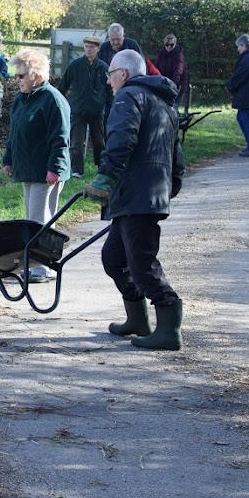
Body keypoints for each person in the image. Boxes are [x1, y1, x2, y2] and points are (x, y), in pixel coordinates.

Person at [85, 49, 185, 350]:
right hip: (143, 194)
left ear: (124, 74)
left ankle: (169, 329)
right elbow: (176, 154)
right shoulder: (163, 103)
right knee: (114, 258)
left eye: (110, 74)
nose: (108, 80)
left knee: (141, 262)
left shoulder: (128, 98)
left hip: (137, 195)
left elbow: (121, 140)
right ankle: (138, 320)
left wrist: (104, 178)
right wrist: (173, 183)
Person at [2, 48, 70, 282]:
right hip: (28, 167)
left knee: (41, 219)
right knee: (32, 218)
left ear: (36, 75)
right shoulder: (22, 99)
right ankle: (37, 264)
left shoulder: (52, 100)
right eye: (17, 75)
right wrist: (8, 159)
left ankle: (43, 267)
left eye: (21, 75)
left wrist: (56, 168)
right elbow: (14, 132)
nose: (17, 80)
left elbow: (60, 137)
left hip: (45, 170)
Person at [58, 36, 107, 178]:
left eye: (92, 47)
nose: (89, 49)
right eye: (86, 46)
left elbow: (110, 91)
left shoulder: (103, 68)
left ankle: (101, 168)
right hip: (78, 110)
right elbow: (62, 86)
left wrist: (106, 105)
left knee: (99, 142)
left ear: (98, 49)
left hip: (96, 111)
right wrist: (65, 103)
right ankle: (77, 170)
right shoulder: (76, 65)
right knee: (76, 143)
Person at [99, 23, 143, 124]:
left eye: (118, 39)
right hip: (109, 92)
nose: (115, 42)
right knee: (109, 122)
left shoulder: (132, 46)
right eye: (112, 39)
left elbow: (141, 68)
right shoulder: (104, 48)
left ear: (123, 36)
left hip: (130, 91)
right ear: (108, 37)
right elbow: (100, 71)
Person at [154, 33, 189, 109]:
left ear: (175, 44)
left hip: (178, 83)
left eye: (171, 45)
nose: (169, 47)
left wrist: (172, 85)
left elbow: (178, 71)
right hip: (164, 81)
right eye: (167, 45)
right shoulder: (161, 53)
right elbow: (156, 68)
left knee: (174, 105)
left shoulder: (178, 55)